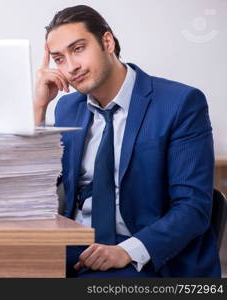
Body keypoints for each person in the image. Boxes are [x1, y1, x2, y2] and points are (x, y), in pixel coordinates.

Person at [34, 5, 221, 277]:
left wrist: (125, 251)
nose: (71, 67)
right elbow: (35, 189)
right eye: (59, 59)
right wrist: (38, 109)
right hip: (77, 246)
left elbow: (193, 208)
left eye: (78, 49)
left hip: (146, 257)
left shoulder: (179, 103)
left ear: (107, 42)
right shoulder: (68, 107)